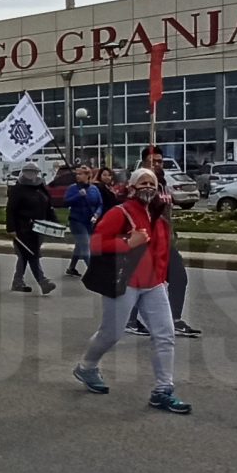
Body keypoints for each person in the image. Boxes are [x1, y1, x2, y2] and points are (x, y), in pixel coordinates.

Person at [71, 169, 192, 414]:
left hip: (154, 285)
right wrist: (127, 242)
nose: (148, 187)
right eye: (143, 183)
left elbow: (162, 251)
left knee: (165, 335)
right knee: (111, 334)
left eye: (152, 183)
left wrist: (164, 277)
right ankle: (87, 366)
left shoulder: (160, 215)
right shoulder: (120, 213)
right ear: (132, 188)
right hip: (124, 283)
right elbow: (95, 244)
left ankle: (163, 390)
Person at [125, 148, 204, 339]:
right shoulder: (139, 186)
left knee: (177, 278)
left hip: (165, 240)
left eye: (160, 161)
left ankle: (173, 320)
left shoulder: (162, 184)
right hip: (146, 241)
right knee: (143, 281)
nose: (158, 164)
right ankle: (131, 320)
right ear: (143, 163)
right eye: (153, 161)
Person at [6, 161, 58, 294]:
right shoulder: (17, 189)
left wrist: (54, 222)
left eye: (34, 172)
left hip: (39, 228)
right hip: (22, 228)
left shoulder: (41, 187)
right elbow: (10, 210)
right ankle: (43, 282)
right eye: (28, 172)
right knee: (32, 254)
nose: (31, 175)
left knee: (25, 255)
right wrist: (11, 228)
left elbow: (48, 206)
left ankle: (17, 282)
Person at [63, 163, 101, 277]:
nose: (77, 176)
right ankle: (94, 272)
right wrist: (78, 196)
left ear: (87, 176)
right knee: (85, 245)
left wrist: (97, 214)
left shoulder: (94, 189)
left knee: (80, 245)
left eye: (80, 174)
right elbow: (65, 202)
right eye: (77, 174)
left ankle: (71, 268)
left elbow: (100, 203)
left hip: (90, 221)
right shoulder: (73, 188)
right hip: (76, 221)